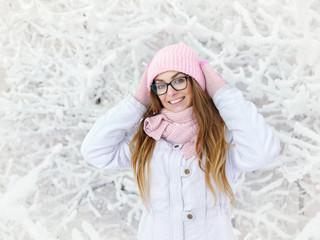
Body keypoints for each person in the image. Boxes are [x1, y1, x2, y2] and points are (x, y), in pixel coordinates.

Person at [81, 43, 280, 240]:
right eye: (161, 85)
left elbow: (263, 151)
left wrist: (223, 94)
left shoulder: (220, 139)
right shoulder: (147, 140)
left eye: (179, 81)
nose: (170, 92)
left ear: (195, 82)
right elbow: (94, 150)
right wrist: (137, 102)